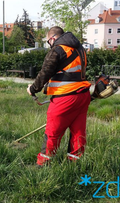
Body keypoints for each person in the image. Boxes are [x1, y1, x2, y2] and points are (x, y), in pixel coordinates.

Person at [27, 26, 91, 166]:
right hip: (82, 96)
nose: (49, 45)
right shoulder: (80, 49)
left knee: (53, 132)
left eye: (48, 42)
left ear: (52, 38)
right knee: (78, 131)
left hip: (65, 98)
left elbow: (45, 72)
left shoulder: (57, 49)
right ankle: (75, 164)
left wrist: (32, 89)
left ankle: (43, 164)